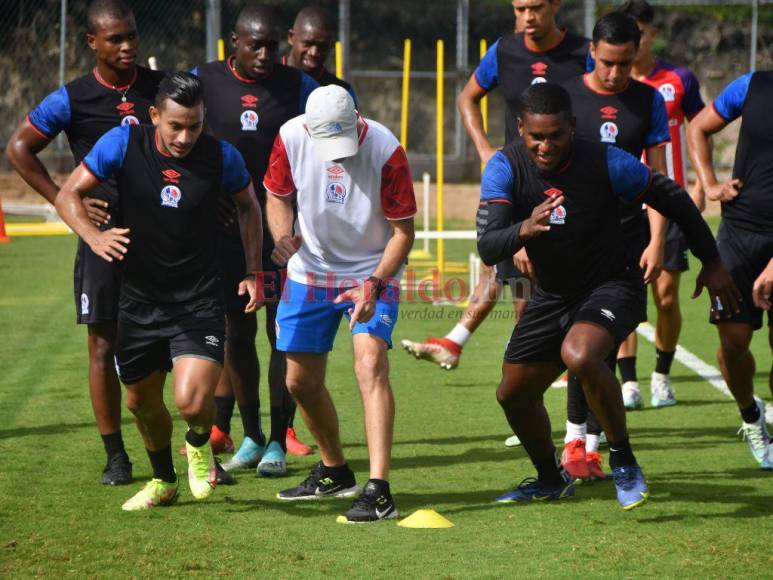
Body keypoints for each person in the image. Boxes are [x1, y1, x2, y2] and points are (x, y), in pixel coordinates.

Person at [477, 82, 738, 509]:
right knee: (513, 394)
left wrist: (711, 261)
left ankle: (623, 459)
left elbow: (672, 197)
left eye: (556, 135)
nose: (546, 145)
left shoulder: (605, 161)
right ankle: (549, 478)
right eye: (536, 136)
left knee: (579, 354)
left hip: (613, 284)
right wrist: (523, 228)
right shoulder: (504, 167)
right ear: (521, 129)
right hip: (553, 293)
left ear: (572, 127)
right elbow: (489, 246)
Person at [54, 72, 263, 510]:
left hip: (198, 300)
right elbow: (68, 195)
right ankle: (163, 480)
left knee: (190, 400)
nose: (186, 136)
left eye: (195, 124)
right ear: (154, 116)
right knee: (140, 402)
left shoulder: (222, 157)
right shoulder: (122, 144)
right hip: (139, 300)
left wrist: (252, 271)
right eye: (176, 126)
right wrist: (94, 237)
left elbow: (249, 206)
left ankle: (200, 443)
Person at [5, 0, 164, 485]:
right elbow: (19, 148)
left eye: (132, 35)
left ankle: (197, 445)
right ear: (92, 43)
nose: (127, 46)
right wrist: (62, 201)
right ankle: (116, 455)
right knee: (102, 345)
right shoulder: (71, 98)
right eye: (115, 38)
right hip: (102, 240)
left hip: (164, 238)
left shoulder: (161, 88)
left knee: (178, 343)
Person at [401, 0, 589, 374]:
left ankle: (551, 368)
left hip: (571, 186)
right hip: (518, 187)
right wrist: (486, 150)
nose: (527, 17)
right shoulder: (504, 50)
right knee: (513, 277)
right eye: (519, 8)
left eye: (535, 7)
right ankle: (525, 375)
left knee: (548, 279)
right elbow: (467, 97)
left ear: (556, 4)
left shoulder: (583, 53)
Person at [264, 85, 416, 523]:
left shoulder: (387, 150)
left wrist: (373, 283)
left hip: (373, 268)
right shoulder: (290, 136)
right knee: (298, 382)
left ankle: (380, 490)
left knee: (370, 365)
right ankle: (335, 470)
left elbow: (403, 233)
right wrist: (282, 238)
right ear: (309, 129)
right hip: (308, 271)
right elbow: (277, 194)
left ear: (357, 120)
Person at [192, 4, 317, 477]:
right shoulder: (203, 79)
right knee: (237, 332)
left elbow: (327, 140)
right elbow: (177, 133)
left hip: (283, 234)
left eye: (273, 46)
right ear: (233, 43)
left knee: (282, 331)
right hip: (226, 234)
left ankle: (279, 443)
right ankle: (250, 435)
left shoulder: (297, 86)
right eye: (255, 45)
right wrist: (208, 193)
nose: (266, 55)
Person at [556, 11, 670, 481]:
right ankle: (572, 443)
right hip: (569, 240)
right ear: (592, 54)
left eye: (625, 63)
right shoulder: (568, 97)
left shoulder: (648, 102)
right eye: (607, 63)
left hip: (624, 242)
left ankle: (586, 447)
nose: (616, 73)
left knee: (596, 344)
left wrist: (658, 239)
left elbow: (659, 180)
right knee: (570, 344)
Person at [621, 0, 707, 409]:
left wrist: (702, 183)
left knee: (667, 296)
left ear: (652, 34)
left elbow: (701, 128)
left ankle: (661, 374)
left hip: (668, 198)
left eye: (642, 32)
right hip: (621, 201)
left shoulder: (679, 79)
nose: (636, 41)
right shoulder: (610, 82)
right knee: (622, 290)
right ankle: (628, 382)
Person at [687, 69, 773, 469]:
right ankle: (752, 417)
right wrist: (709, 183)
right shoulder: (752, 85)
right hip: (739, 234)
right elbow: (699, 128)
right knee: (732, 343)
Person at [285, 5, 358, 105]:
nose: (314, 52)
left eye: (322, 46)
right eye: (308, 44)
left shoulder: (342, 93)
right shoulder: (268, 79)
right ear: (291, 37)